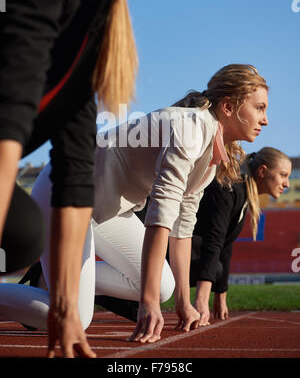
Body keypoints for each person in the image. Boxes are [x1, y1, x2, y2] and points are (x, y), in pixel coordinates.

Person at [0, 0, 207, 358]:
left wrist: (63, 311)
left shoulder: (96, 25)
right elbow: (9, 112)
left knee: (21, 235)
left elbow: (75, 169)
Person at [0, 63, 269, 345]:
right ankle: (61, 288)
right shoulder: (191, 128)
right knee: (77, 317)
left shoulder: (209, 162)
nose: (265, 120)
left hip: (107, 211)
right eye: (260, 107)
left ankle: (52, 281)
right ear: (228, 106)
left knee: (164, 285)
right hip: (64, 194)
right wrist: (147, 303)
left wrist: (183, 301)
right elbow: (160, 215)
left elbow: (181, 228)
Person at [190, 147, 292, 326]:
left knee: (218, 268)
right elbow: (214, 240)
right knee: (214, 268)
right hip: (169, 247)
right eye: (283, 175)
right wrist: (201, 299)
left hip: (188, 249)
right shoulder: (231, 186)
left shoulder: (243, 191)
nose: (287, 184)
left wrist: (221, 295)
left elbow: (225, 245)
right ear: (262, 171)